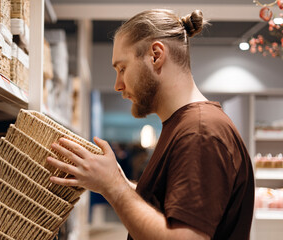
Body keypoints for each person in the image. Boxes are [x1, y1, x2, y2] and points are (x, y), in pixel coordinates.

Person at [47, 9, 255, 240]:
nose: (118, 84)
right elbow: (166, 206)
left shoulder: (200, 131)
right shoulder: (185, 125)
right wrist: (115, 179)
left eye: (122, 69)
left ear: (156, 55)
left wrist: (114, 187)